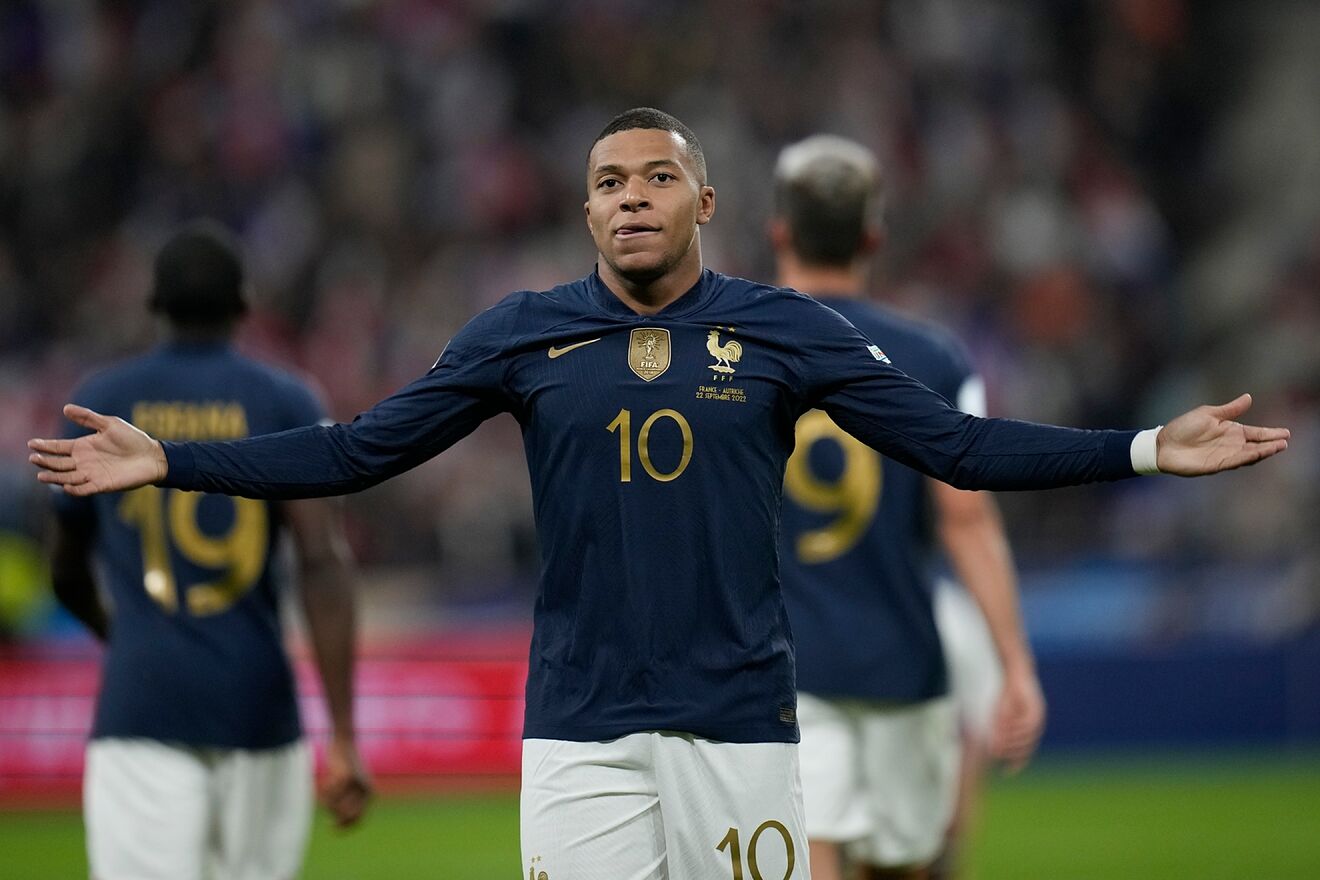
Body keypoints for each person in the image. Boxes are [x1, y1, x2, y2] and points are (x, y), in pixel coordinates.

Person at [30, 109, 1287, 880]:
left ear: (705, 201)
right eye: (609, 182)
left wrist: (1139, 450)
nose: (632, 196)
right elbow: (360, 451)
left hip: (739, 720)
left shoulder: (782, 329)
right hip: (576, 726)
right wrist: (172, 459)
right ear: (585, 210)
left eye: (656, 177)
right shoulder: (523, 334)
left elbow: (955, 451)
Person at [46, 222, 371, 880]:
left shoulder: (100, 403)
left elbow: (64, 571)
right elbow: (322, 564)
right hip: (258, 708)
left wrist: (124, 634)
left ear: (153, 306)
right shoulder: (286, 399)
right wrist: (342, 734)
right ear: (245, 305)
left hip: (141, 704)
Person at [770, 135, 1041, 880]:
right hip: (903, 663)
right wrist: (1016, 663)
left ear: (780, 231)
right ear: (873, 237)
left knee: (811, 863)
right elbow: (967, 521)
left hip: (781, 669)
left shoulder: (734, 350)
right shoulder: (936, 359)